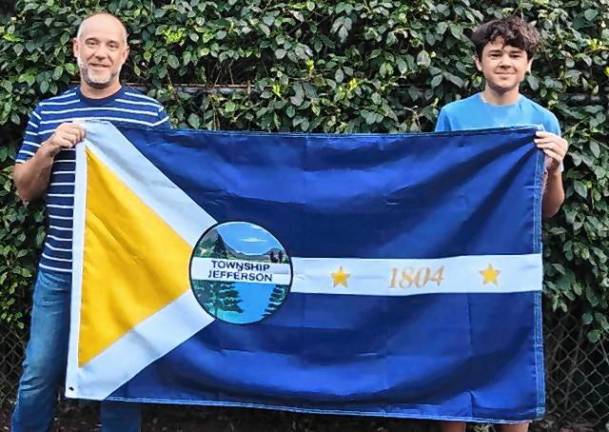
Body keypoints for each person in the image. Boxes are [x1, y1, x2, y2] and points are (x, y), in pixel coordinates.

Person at [11, 12, 169, 432]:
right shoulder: (49, 111)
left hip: (124, 274)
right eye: (92, 43)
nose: (101, 53)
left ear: (125, 54)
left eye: (111, 45)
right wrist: (49, 148)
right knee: (38, 375)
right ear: (76, 49)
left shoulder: (150, 115)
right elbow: (24, 190)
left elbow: (171, 193)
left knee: (119, 383)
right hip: (61, 270)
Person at [434, 16, 568, 432]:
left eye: (515, 55)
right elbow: (435, 190)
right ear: (479, 63)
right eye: (495, 54)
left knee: (514, 359)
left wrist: (556, 167)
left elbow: (549, 210)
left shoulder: (543, 122)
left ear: (528, 64)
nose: (505, 62)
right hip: (458, 260)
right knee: (453, 360)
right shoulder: (453, 116)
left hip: (514, 262)